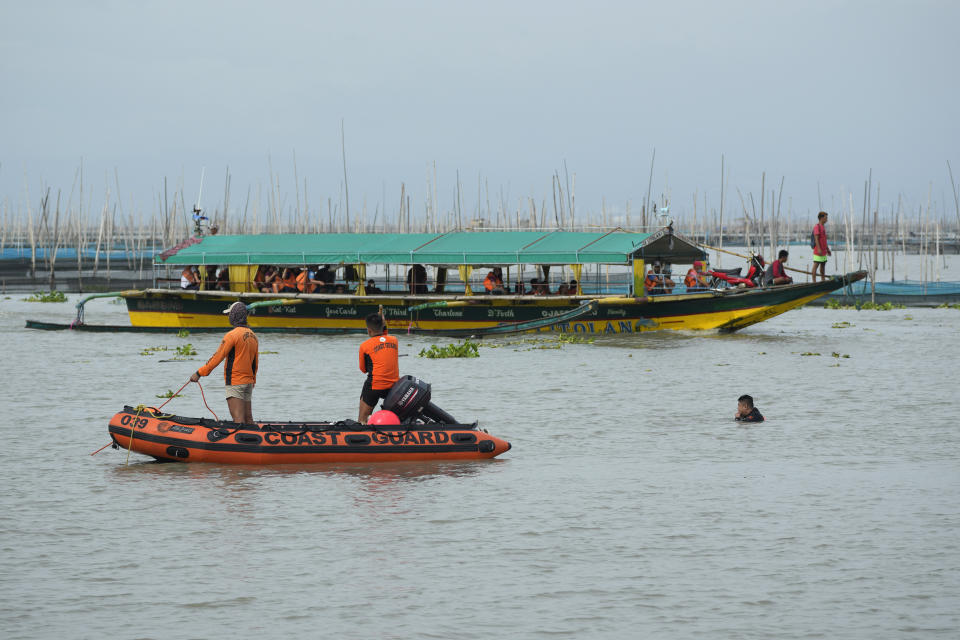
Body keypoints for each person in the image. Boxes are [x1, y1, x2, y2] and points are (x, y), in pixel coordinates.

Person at [190, 302, 259, 424]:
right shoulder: (253, 336)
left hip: (235, 382)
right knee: (249, 419)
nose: (228, 317)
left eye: (229, 314)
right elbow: (255, 362)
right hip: (248, 382)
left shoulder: (231, 335)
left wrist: (199, 373)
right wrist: (253, 379)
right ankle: (254, 441)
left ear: (234, 316)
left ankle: (241, 442)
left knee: (238, 419)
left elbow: (217, 357)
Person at [357, 312, 400, 423]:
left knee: (363, 419)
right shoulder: (394, 340)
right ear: (383, 326)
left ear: (368, 330)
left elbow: (363, 369)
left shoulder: (364, 346)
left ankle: (361, 424)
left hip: (375, 386)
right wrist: (383, 325)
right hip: (394, 387)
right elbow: (384, 337)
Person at [812, 211, 832, 282]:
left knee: (823, 265)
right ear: (821, 218)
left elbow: (824, 240)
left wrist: (828, 249)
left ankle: (822, 279)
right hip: (818, 250)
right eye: (826, 218)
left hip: (824, 250)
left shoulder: (823, 227)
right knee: (816, 265)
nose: (827, 219)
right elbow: (816, 238)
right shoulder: (817, 227)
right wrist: (819, 249)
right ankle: (814, 281)